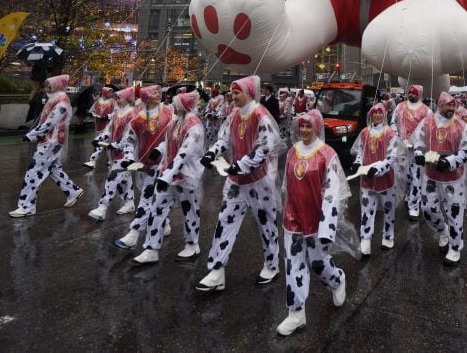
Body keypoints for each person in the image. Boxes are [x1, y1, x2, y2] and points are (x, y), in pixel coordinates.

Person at [196, 75, 283, 293]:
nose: (232, 96)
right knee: (225, 221)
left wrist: (241, 164)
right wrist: (211, 154)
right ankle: (217, 269)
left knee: (266, 225)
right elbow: (224, 139)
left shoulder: (261, 116)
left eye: (237, 92)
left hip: (258, 182)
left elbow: (265, 148)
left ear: (249, 93)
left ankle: (272, 265)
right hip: (235, 182)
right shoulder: (234, 115)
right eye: (232, 92)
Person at [276, 109, 350, 336]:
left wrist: (327, 226)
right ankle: (296, 313)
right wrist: (285, 208)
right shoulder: (292, 152)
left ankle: (337, 280)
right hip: (293, 220)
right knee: (293, 265)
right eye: (302, 126)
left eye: (309, 126)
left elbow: (333, 191)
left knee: (319, 263)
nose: (305, 130)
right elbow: (287, 185)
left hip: (316, 223)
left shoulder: (327, 154)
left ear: (317, 128)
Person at [133, 91, 206, 264]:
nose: (174, 106)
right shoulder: (176, 120)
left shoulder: (194, 124)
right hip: (168, 174)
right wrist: (159, 150)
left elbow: (185, 153)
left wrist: (167, 175)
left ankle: (192, 244)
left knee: (190, 210)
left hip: (186, 176)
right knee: (157, 209)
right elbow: (168, 140)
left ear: (184, 105)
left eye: (177, 103)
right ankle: (151, 248)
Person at [411, 91, 467, 266]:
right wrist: (418, 153)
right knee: (428, 208)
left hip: (453, 178)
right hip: (431, 176)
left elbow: (466, 151)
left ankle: (455, 248)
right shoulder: (427, 122)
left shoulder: (461, 125)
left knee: (454, 213)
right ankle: (442, 230)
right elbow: (418, 140)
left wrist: (449, 162)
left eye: (453, 105)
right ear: (440, 105)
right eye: (448, 105)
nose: (451, 108)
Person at [10, 75, 83, 217]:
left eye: (49, 85)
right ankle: (73, 191)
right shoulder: (56, 98)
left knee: (34, 172)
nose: (46, 88)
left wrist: (32, 135)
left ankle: (26, 206)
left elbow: (51, 122)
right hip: (50, 141)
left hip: (51, 142)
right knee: (53, 169)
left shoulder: (61, 100)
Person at [113, 85, 175, 250]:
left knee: (147, 198)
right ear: (146, 97)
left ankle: (133, 234)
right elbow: (129, 141)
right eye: (154, 93)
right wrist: (128, 158)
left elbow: (174, 136)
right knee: (157, 198)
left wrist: (161, 151)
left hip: (164, 165)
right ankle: (165, 225)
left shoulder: (169, 113)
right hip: (144, 165)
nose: (158, 95)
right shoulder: (137, 120)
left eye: (158, 93)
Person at [350, 103, 398, 255]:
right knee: (367, 209)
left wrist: (378, 169)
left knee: (388, 208)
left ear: (384, 115)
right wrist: (358, 163)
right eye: (374, 113)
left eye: (380, 113)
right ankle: (365, 239)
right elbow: (360, 151)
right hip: (367, 179)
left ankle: (388, 235)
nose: (377, 115)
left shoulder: (390, 133)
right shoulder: (365, 132)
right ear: (370, 114)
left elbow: (391, 157)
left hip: (386, 179)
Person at [87, 87, 138, 220]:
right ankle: (130, 202)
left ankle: (102, 207)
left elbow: (130, 137)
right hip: (115, 152)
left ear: (127, 99)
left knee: (113, 177)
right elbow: (109, 129)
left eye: (119, 97)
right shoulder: (117, 112)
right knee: (124, 179)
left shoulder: (132, 114)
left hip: (127, 154)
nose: (116, 99)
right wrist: (99, 139)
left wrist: (115, 145)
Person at [392, 84, 430, 220]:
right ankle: (409, 195)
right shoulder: (400, 107)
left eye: (414, 93)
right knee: (404, 175)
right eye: (410, 92)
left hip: (418, 149)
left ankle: (414, 207)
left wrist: (420, 143)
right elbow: (393, 123)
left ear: (419, 94)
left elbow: (429, 128)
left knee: (416, 177)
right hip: (402, 148)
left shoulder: (426, 110)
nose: (411, 95)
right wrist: (397, 138)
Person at [83, 87, 116, 169]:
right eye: (109, 92)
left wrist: (107, 116)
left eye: (111, 92)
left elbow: (116, 112)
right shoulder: (98, 101)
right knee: (106, 145)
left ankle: (92, 161)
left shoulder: (113, 102)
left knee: (100, 143)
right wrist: (91, 114)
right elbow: (93, 110)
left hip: (108, 126)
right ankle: (112, 160)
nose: (111, 94)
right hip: (98, 124)